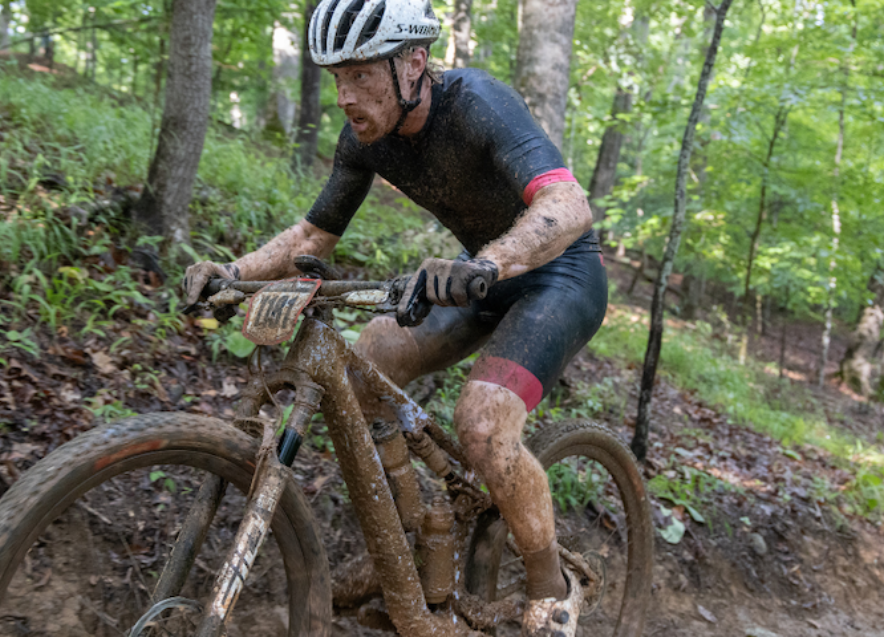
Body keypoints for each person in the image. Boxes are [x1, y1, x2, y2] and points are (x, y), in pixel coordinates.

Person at [183, 0, 606, 633]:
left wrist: (489, 263)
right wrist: (232, 272)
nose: (345, 96)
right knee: (364, 367)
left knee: (483, 424)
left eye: (360, 75)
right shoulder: (365, 139)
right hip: (479, 273)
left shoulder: (477, 103)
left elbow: (568, 204)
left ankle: (553, 589)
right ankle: (402, 549)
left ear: (413, 64)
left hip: (560, 275)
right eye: (337, 77)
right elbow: (313, 236)